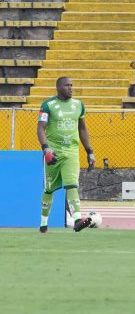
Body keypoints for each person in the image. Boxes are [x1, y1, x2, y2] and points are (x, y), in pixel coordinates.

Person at [36, 77, 96, 234]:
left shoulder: (78, 105)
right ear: (58, 87)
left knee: (72, 184)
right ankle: (43, 224)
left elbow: (82, 129)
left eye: (72, 85)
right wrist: (46, 149)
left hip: (71, 152)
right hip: (53, 152)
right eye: (67, 85)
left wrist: (89, 150)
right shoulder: (48, 105)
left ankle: (77, 219)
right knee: (49, 189)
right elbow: (41, 128)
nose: (71, 88)